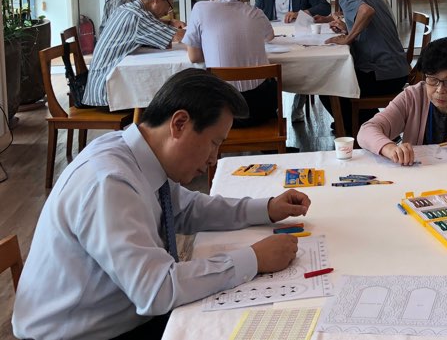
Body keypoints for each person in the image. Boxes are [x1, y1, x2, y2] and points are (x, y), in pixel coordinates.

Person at [13, 69, 310, 340]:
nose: (213, 158)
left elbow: (188, 209)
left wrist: (266, 208)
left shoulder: (136, 155)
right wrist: (254, 259)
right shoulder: (109, 182)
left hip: (123, 314)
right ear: (179, 124)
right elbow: (156, 290)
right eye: (213, 143)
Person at [182, 0, 278, 127]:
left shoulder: (200, 8)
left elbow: (194, 57)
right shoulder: (256, 13)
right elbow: (270, 36)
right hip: (261, 109)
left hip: (219, 113)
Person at [325, 0, 410, 135]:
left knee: (328, 86)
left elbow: (366, 12)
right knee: (339, 80)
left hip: (383, 74)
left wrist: (348, 38)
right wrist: (347, 28)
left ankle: (356, 132)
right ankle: (373, 127)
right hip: (398, 70)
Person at [83, 0, 186, 107]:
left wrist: (169, 23)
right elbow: (177, 36)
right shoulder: (138, 17)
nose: (167, 12)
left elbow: (159, 30)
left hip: (98, 85)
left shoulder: (127, 8)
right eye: (169, 6)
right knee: (168, 97)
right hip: (106, 93)